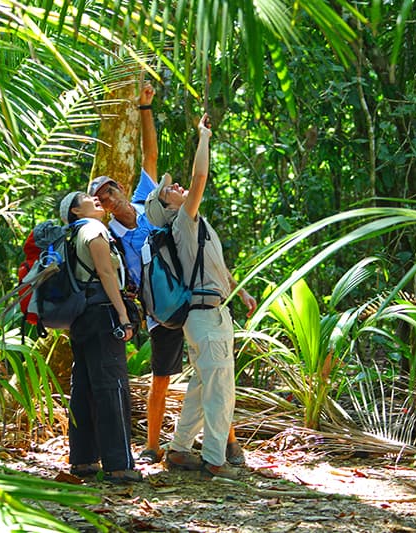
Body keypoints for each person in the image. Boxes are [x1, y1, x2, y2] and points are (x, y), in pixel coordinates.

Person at [87, 84, 252, 466]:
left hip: (192, 293)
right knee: (169, 375)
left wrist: (145, 106)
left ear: (123, 189)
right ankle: (154, 445)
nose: (111, 197)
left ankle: (226, 442)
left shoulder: (151, 203)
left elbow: (151, 153)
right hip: (161, 307)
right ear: (102, 207)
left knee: (209, 374)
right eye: (103, 197)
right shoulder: (111, 236)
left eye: (112, 189)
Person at [144, 114, 256, 479]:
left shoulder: (193, 227)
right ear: (167, 207)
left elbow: (212, 266)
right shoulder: (182, 222)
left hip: (208, 314)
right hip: (206, 318)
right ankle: (214, 460)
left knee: (200, 388)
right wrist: (203, 137)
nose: (175, 187)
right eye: (168, 190)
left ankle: (178, 451)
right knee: (220, 391)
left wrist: (241, 292)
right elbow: (200, 178)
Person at [59, 190, 142, 483]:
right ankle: (119, 465)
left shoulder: (70, 237)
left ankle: (83, 460)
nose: (94, 198)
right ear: (75, 212)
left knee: (83, 386)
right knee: (112, 385)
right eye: (84, 198)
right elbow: (106, 273)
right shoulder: (93, 229)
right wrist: (122, 314)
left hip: (82, 317)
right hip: (102, 312)